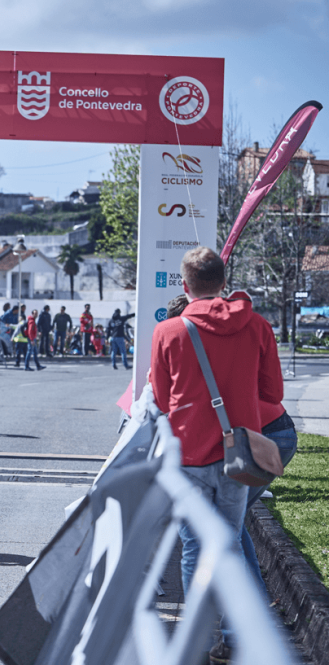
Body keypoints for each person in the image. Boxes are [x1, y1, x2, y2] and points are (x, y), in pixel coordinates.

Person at [149, 247, 283, 662]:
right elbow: (272, 394)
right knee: (228, 545)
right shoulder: (258, 326)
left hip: (188, 455)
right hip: (237, 455)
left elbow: (159, 397)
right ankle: (237, 635)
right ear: (224, 282)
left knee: (194, 547)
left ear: (184, 285)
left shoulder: (168, 332)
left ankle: (201, 639)